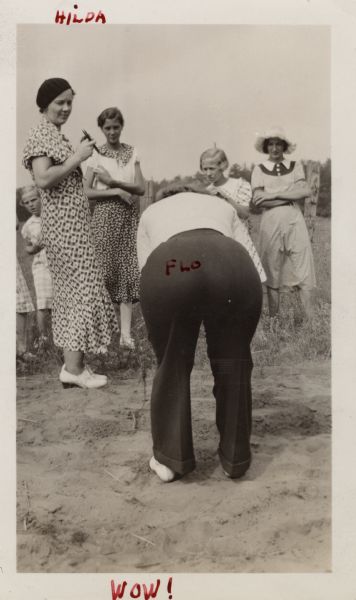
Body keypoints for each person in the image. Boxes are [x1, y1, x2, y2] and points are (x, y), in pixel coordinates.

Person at [137, 182, 262, 482]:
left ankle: (170, 459)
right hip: (232, 261)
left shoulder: (152, 211)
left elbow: (145, 269)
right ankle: (236, 459)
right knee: (234, 361)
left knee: (172, 361)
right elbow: (249, 256)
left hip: (172, 264)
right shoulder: (221, 206)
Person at [23, 78, 118, 389]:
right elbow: (43, 179)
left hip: (72, 226)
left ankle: (74, 366)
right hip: (64, 228)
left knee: (73, 295)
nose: (65, 108)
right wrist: (78, 158)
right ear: (45, 104)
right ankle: (73, 369)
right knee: (83, 292)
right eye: (59, 102)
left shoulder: (54, 135)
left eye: (69, 102)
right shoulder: (40, 134)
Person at [84, 107, 145, 351]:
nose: (112, 132)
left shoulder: (132, 152)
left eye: (115, 127)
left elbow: (140, 187)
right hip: (105, 218)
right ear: (101, 129)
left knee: (127, 274)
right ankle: (100, 339)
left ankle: (126, 337)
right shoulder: (95, 155)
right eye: (107, 128)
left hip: (129, 218)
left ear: (122, 126)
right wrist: (115, 191)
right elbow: (86, 190)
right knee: (103, 275)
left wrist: (115, 182)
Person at [251, 127, 316, 318]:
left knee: (303, 265)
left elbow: (304, 192)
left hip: (294, 218)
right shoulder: (259, 169)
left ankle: (310, 320)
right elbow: (259, 200)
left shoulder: (295, 166)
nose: (274, 148)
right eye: (270, 144)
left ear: (284, 146)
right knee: (271, 267)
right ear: (265, 147)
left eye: (278, 144)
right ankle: (274, 320)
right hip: (270, 220)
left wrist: (274, 194)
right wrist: (288, 196)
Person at [200, 147, 266, 283]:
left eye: (211, 168)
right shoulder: (205, 192)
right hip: (215, 242)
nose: (208, 173)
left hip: (237, 238)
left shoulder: (239, 185)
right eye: (205, 169)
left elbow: (245, 213)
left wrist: (226, 198)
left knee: (244, 281)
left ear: (223, 166)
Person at [20, 185, 52, 347]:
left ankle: (60, 335)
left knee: (59, 303)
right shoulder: (28, 225)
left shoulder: (54, 216)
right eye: (27, 202)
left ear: (42, 197)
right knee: (43, 303)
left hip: (60, 265)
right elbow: (27, 247)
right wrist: (35, 247)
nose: (31, 204)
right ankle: (43, 338)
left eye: (34, 200)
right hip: (41, 266)